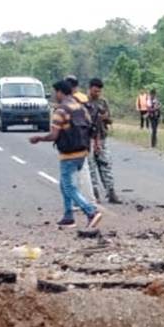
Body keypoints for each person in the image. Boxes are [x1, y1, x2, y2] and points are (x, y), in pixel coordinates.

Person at [29, 80, 103, 229]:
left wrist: (39, 138)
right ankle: (68, 216)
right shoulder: (81, 108)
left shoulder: (61, 111)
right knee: (64, 184)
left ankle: (91, 211)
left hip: (68, 154)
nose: (55, 96)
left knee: (69, 186)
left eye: (56, 93)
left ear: (60, 92)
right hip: (82, 152)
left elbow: (54, 135)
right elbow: (92, 128)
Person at [86, 78, 121, 204]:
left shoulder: (103, 102)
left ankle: (111, 192)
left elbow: (110, 119)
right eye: (95, 91)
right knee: (91, 167)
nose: (97, 94)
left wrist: (105, 118)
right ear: (90, 89)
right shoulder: (84, 102)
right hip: (88, 138)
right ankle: (94, 193)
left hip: (102, 137)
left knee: (105, 164)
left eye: (99, 91)